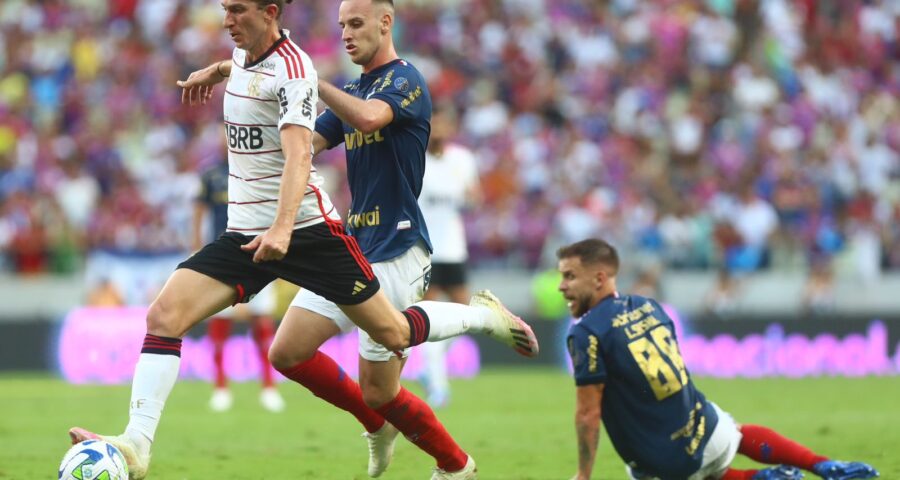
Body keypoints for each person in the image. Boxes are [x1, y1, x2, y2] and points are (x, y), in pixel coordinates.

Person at [68, 2, 538, 479]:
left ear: (385, 22)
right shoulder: (320, 79)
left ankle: (481, 330)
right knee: (228, 334)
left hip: (384, 241)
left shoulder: (403, 80)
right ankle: (136, 445)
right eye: (342, 27)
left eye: (356, 24)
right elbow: (307, 140)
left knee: (388, 354)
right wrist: (237, 75)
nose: (347, 35)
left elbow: (365, 121)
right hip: (277, 230)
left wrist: (301, 88)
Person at [558, 238, 879, 480]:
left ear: (599, 279)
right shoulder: (649, 305)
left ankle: (761, 478)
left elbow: (588, 413)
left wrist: (583, 474)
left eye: (570, 277)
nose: (561, 286)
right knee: (732, 433)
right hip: (703, 425)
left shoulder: (586, 332)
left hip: (660, 459)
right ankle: (821, 464)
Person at [192, 160, 284, 413]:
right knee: (220, 324)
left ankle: (269, 387)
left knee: (262, 323)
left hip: (258, 255)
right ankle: (220, 387)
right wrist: (197, 247)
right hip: (222, 258)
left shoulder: (258, 168)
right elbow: (200, 211)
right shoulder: (211, 175)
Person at [417, 107, 481, 408]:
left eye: (443, 125)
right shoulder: (415, 158)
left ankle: (433, 367)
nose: (439, 131)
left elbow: (474, 199)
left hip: (454, 247)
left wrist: (470, 197)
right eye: (434, 126)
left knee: (464, 316)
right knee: (429, 314)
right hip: (425, 248)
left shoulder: (463, 160)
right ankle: (439, 386)